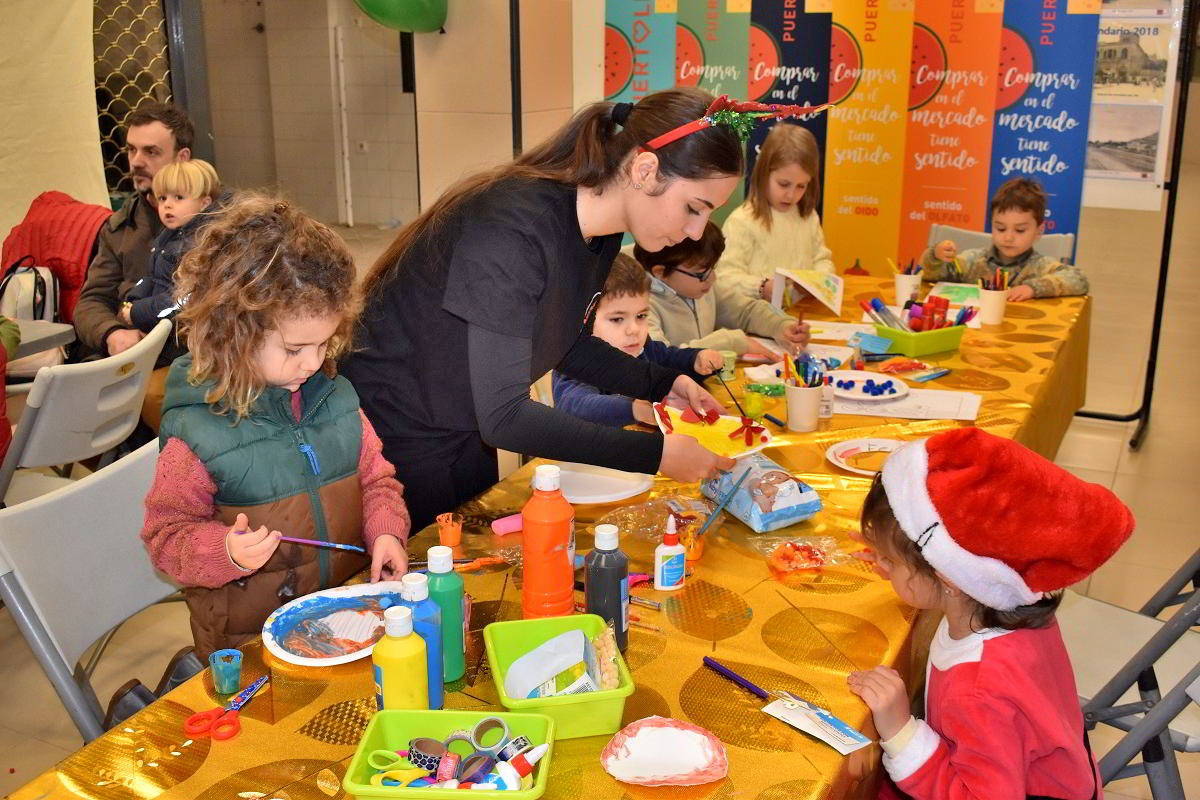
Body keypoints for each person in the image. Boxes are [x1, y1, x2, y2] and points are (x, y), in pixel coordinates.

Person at [341, 88, 750, 530]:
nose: (694, 232)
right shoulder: (514, 230)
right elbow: (505, 416)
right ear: (645, 169)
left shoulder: (600, 234)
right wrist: (656, 455)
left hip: (461, 424)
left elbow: (565, 343)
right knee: (430, 573)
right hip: (397, 433)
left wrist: (664, 383)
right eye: (693, 208)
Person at [140, 194, 410, 657]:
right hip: (248, 644)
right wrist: (224, 551)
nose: (313, 362)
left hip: (345, 619)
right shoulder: (198, 431)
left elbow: (376, 480)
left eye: (324, 345)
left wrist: (385, 530)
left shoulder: (335, 398)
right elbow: (166, 539)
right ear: (234, 332)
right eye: (294, 348)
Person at [846, 428, 1132, 798]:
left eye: (889, 560)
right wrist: (901, 565)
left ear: (945, 574)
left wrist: (902, 733)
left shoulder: (979, 693)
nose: (882, 565)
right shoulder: (1016, 605)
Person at [74, 103, 193, 359]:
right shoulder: (120, 227)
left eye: (151, 152)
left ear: (181, 158)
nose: (137, 162)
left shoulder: (214, 218)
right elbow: (92, 301)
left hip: (193, 357)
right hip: (132, 354)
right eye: (131, 150)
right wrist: (112, 333)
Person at [552, 253, 723, 427]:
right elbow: (574, 405)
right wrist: (633, 409)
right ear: (585, 320)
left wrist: (696, 359)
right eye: (617, 319)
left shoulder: (643, 348)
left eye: (641, 316)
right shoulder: (574, 364)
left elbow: (671, 359)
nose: (634, 329)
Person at [635, 221, 809, 358]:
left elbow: (746, 311)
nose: (712, 278)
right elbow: (662, 358)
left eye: (713, 268)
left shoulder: (701, 286)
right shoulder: (640, 308)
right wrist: (730, 342)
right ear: (660, 273)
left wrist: (782, 326)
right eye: (702, 273)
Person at [919, 178, 1089, 301]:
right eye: (1000, 228)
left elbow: (1079, 280)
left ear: (1039, 231)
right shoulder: (973, 260)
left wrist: (1032, 288)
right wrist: (935, 255)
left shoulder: (1040, 266)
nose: (1008, 237)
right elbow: (930, 275)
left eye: (1020, 230)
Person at [716, 123, 833, 302]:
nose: (791, 194)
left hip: (801, 315)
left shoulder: (808, 217)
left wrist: (820, 280)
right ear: (764, 173)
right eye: (784, 184)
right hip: (757, 318)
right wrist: (761, 287)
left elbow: (822, 259)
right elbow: (724, 278)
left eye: (801, 186)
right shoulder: (742, 221)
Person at [121, 159, 221, 337]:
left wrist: (139, 313)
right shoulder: (167, 236)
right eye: (162, 198)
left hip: (185, 336)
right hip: (162, 325)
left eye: (179, 197)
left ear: (204, 203)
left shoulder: (202, 244)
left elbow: (186, 298)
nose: (167, 204)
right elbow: (152, 277)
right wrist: (134, 300)